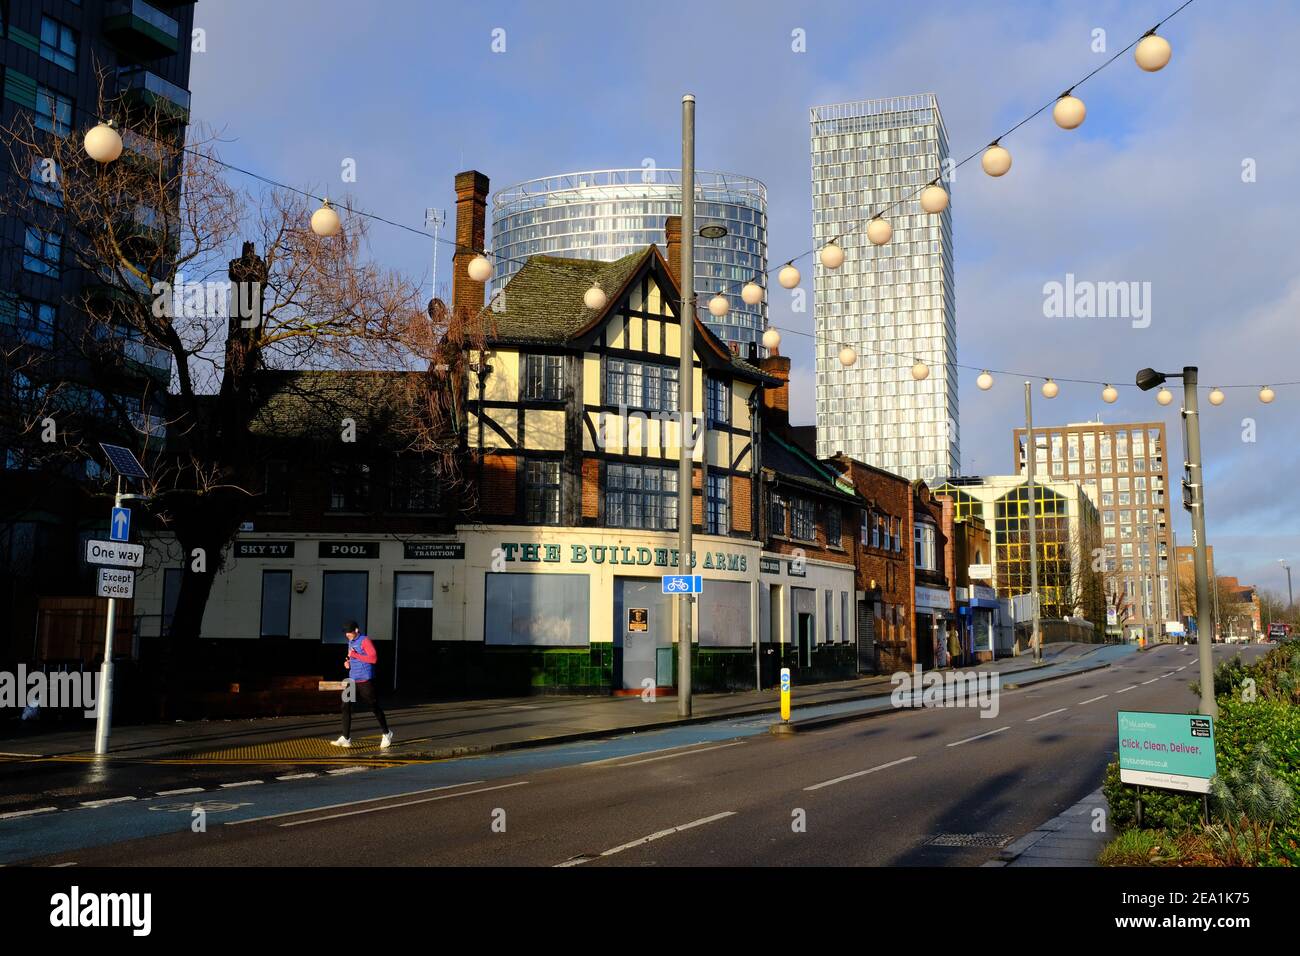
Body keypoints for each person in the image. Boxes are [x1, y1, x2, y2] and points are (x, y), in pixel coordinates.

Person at [331, 620, 393, 749]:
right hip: (352, 679)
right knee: (345, 706)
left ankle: (387, 733)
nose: (347, 634)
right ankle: (346, 738)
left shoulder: (365, 640)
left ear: (356, 630)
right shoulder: (351, 642)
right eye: (346, 633)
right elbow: (352, 658)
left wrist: (355, 655)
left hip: (364, 680)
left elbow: (373, 658)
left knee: (373, 706)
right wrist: (348, 663)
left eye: (349, 632)